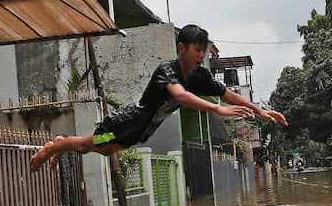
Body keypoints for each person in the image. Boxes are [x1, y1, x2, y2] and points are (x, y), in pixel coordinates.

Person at [30, 24, 288, 172]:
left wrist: (261, 111)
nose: (201, 56)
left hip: (142, 131)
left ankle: (62, 145)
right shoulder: (167, 70)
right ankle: (56, 146)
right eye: (197, 51)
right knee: (85, 145)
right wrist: (216, 109)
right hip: (126, 122)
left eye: (204, 51)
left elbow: (229, 94)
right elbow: (180, 96)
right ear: (181, 49)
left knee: (101, 150)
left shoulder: (201, 76)